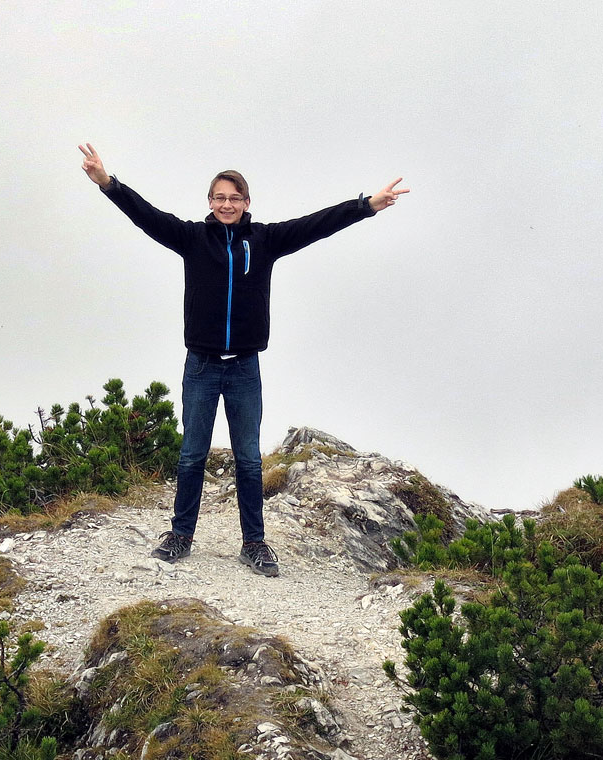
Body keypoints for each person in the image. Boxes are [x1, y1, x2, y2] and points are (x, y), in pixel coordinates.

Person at [78, 142, 408, 576]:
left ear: (246, 203)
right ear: (210, 203)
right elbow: (147, 215)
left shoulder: (266, 240)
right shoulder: (192, 238)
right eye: (220, 197)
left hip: (244, 368)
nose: (227, 204)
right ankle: (180, 535)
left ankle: (254, 544)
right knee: (192, 455)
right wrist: (108, 183)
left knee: (249, 460)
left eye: (235, 198)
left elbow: (316, 225)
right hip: (200, 364)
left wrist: (365, 206)